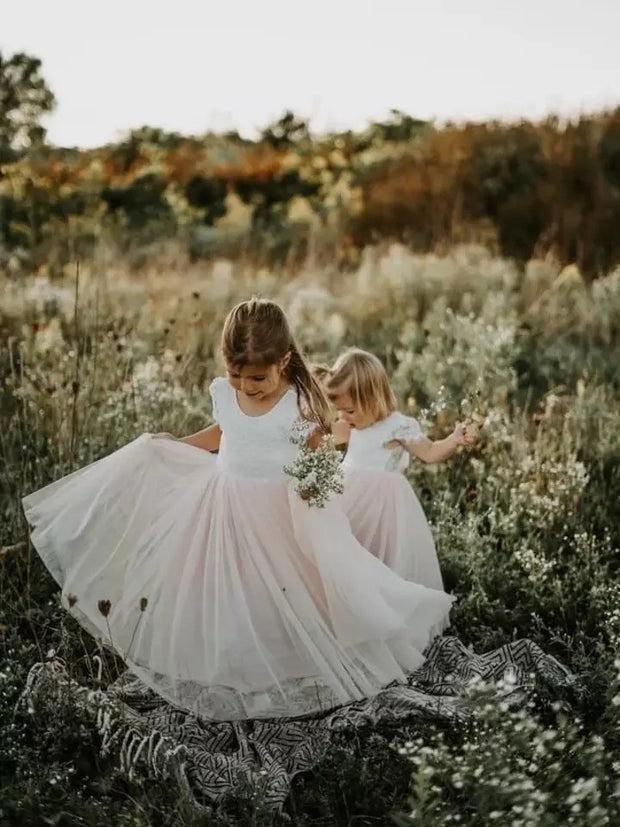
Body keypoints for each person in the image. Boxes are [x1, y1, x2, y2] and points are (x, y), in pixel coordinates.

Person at [22, 299, 453, 722]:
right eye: (236, 375)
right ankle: (228, 663)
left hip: (275, 515)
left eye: (257, 378)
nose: (246, 387)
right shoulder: (225, 392)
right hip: (222, 505)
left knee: (282, 589)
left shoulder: (298, 402)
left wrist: (312, 486)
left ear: (283, 361)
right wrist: (175, 446)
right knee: (221, 588)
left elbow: (317, 455)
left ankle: (283, 661)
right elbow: (223, 433)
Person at [319, 348, 478, 587]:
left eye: (349, 410)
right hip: (348, 499)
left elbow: (431, 452)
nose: (343, 416)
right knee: (344, 553)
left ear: (373, 398)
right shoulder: (350, 425)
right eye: (339, 410)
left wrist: (454, 439)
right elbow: (318, 439)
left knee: (379, 560)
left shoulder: (398, 426)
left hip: (383, 509)